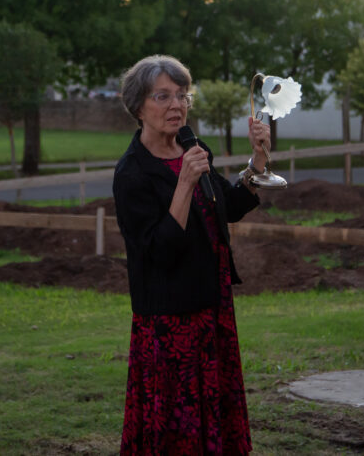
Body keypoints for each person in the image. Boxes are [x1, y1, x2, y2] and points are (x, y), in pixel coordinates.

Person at [113, 54, 271, 455]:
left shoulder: (192, 146)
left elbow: (229, 206)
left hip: (212, 306)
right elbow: (160, 251)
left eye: (182, 96)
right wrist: (184, 182)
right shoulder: (132, 173)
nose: (176, 106)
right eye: (162, 97)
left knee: (211, 418)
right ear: (138, 107)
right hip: (170, 319)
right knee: (175, 427)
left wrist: (259, 161)